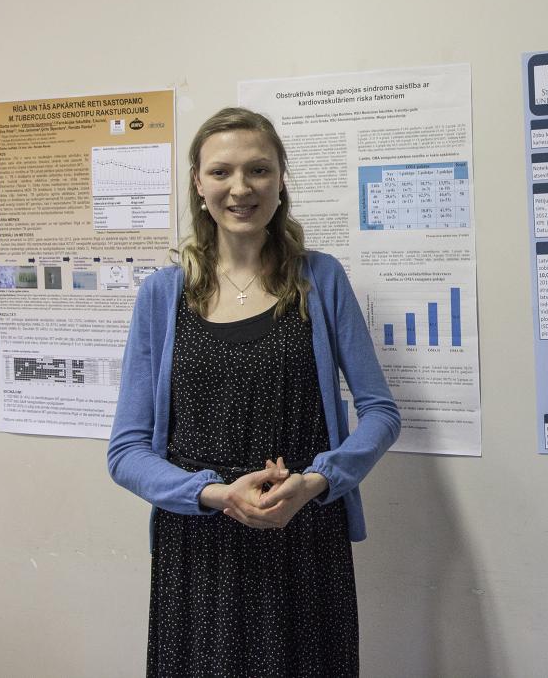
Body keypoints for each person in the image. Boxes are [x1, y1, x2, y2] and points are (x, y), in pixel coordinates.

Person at [108, 107, 400, 677]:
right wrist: (214, 494)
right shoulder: (163, 295)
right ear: (198, 184)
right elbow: (126, 451)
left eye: (258, 170)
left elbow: (380, 413)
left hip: (304, 533)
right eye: (221, 172)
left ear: (280, 179)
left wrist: (318, 480)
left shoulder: (321, 279)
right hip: (199, 544)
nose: (240, 188)